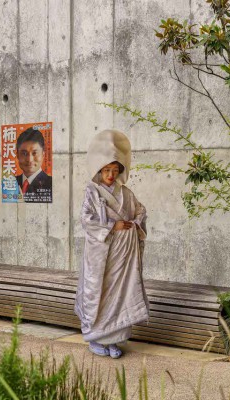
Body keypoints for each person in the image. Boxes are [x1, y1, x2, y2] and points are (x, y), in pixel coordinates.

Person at [74, 129, 149, 359]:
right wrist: (112, 227)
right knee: (101, 292)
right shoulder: (92, 193)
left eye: (114, 171)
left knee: (121, 293)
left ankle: (115, 339)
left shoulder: (126, 194)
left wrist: (133, 224)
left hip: (122, 255)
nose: (110, 175)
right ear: (99, 170)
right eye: (106, 170)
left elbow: (141, 212)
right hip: (101, 253)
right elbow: (86, 219)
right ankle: (97, 339)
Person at [15, 127, 52, 202]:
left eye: (34, 153)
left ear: (43, 154)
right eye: (24, 153)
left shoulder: (51, 184)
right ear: (18, 155)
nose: (29, 159)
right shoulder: (11, 182)